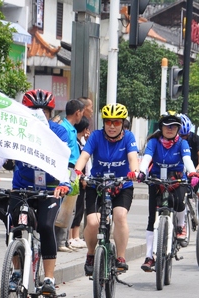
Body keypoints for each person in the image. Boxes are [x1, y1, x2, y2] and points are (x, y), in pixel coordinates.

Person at [0, 88, 73, 295]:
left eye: (43, 111)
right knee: (15, 224)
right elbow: (1, 154)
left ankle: (48, 278)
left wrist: (64, 182)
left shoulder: (58, 131)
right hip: (23, 187)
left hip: (50, 190)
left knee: (45, 226)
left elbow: (64, 159)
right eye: (33, 110)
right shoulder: (16, 128)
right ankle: (17, 270)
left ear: (50, 113)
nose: (38, 114)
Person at [73, 103, 139, 276]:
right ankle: (91, 254)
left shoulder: (128, 137)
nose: (111, 126)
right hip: (97, 184)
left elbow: (133, 158)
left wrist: (135, 172)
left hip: (121, 185)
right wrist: (78, 172)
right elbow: (85, 156)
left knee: (119, 216)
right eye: (108, 122)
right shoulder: (95, 136)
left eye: (116, 123)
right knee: (93, 223)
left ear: (122, 124)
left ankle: (121, 258)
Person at [137, 112, 199, 271]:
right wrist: (141, 171)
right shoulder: (154, 142)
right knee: (152, 218)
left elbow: (187, 159)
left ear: (178, 129)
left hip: (176, 179)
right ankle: (149, 256)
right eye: (167, 126)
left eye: (174, 126)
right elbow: (147, 158)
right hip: (156, 179)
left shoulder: (182, 143)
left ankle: (180, 226)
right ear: (161, 128)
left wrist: (192, 173)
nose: (170, 129)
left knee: (180, 202)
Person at [55, 99, 85, 252]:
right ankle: (59, 241)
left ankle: (64, 240)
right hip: (67, 169)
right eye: (82, 112)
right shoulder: (64, 129)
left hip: (73, 169)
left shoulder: (71, 129)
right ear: (77, 112)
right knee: (64, 206)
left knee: (70, 206)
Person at [69, 116, 91, 249]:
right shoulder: (76, 143)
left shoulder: (83, 142)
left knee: (79, 209)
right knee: (74, 208)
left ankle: (76, 236)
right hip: (77, 180)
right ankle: (71, 236)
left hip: (83, 179)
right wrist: (81, 177)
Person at [178, 113, 199, 205]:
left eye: (186, 135)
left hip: (196, 168)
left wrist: (197, 170)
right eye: (181, 136)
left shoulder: (196, 139)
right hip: (181, 170)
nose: (184, 138)